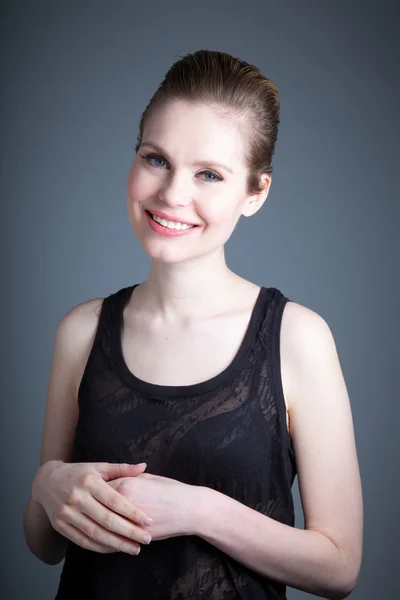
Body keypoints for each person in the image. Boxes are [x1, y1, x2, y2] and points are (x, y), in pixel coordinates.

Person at [23, 49, 363, 600]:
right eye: (156, 159)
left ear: (256, 193)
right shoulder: (81, 332)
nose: (172, 194)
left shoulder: (297, 338)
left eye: (209, 174)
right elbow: (45, 545)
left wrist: (200, 510)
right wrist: (46, 485)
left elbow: (340, 567)